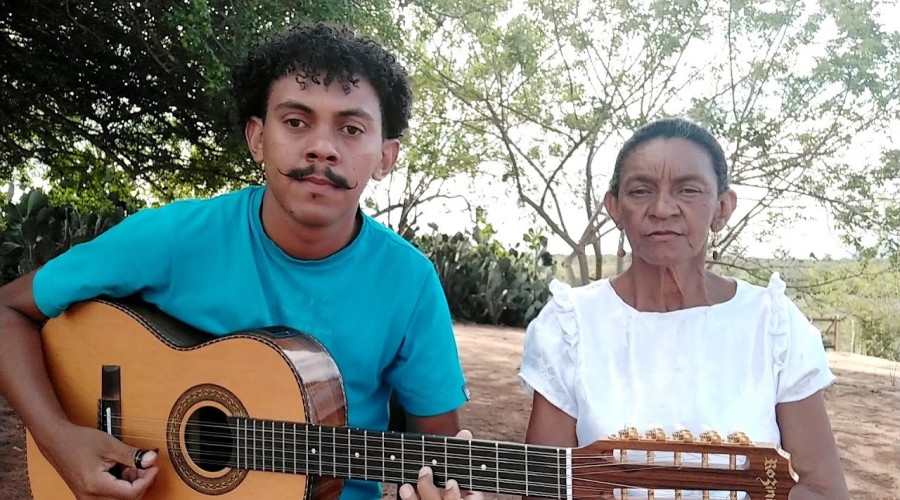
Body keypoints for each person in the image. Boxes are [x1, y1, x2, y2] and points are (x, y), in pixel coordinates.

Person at [0, 22, 477, 500]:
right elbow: (7, 310)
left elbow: (440, 460)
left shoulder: (409, 283)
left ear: (385, 157)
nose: (322, 147)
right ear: (257, 138)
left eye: (351, 129)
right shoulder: (174, 238)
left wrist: (443, 492)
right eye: (296, 122)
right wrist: (58, 439)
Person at [518, 117, 850, 499]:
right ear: (615, 208)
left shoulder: (772, 325)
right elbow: (544, 490)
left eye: (688, 190)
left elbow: (823, 490)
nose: (662, 208)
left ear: (722, 208)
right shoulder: (569, 326)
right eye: (640, 191)